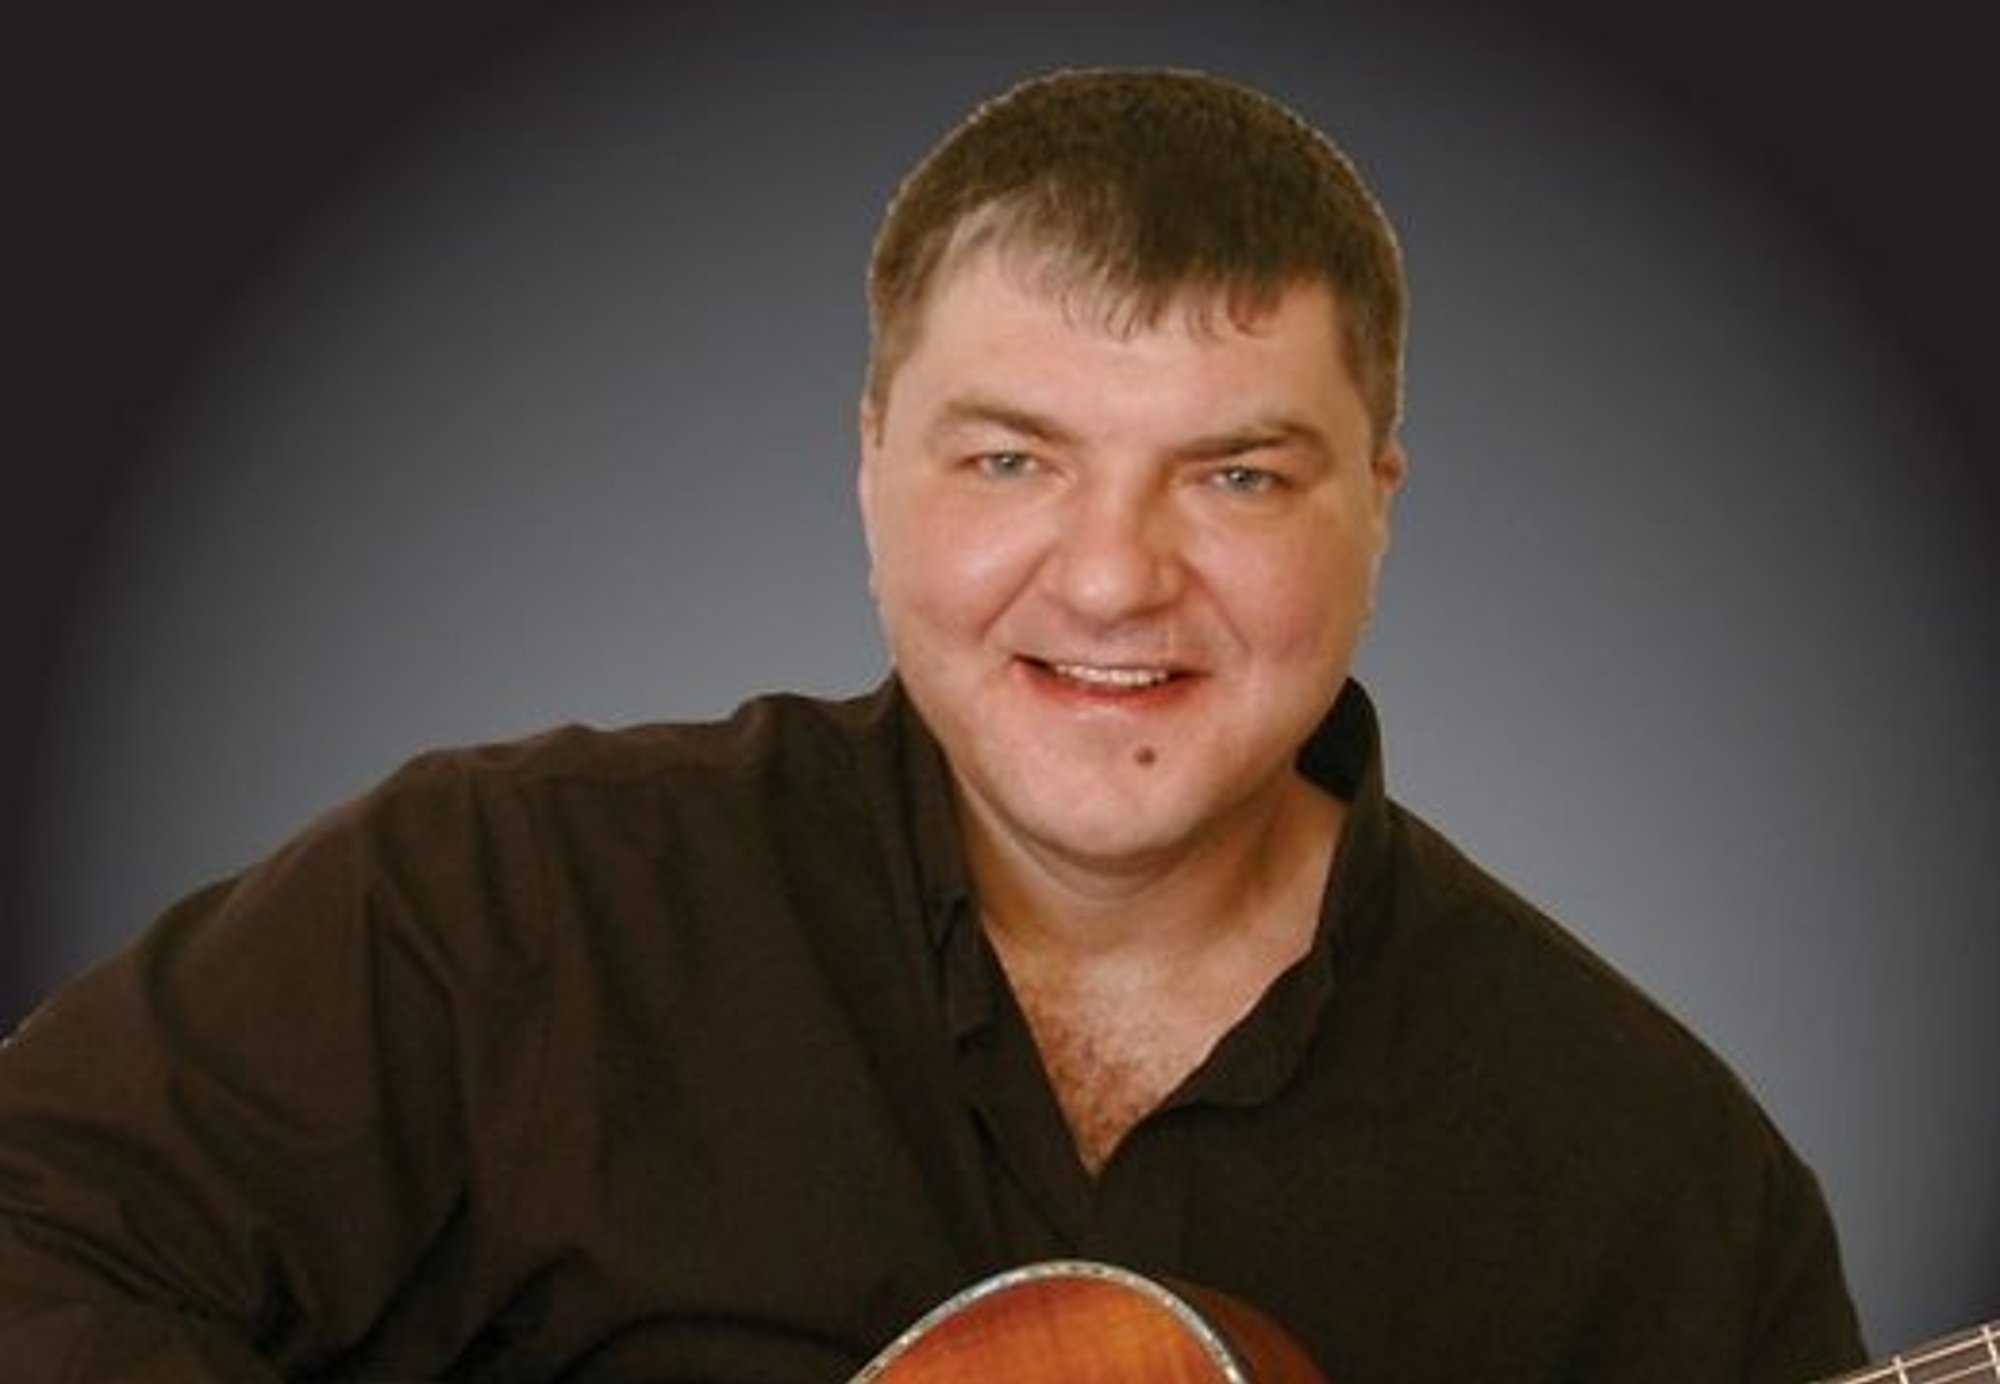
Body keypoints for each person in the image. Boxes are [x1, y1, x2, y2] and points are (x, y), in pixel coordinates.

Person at [0, 67, 1866, 1382]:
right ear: (869, 468)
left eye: (1236, 474)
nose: (1114, 579)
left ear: (1378, 508)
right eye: (1009, 460)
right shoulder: (496, 909)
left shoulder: (1665, 1190)